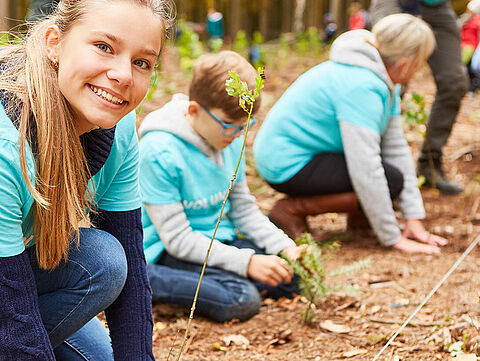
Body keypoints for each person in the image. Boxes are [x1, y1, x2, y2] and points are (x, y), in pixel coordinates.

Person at [0, 0, 172, 359]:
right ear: (54, 43)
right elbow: (11, 308)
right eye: (104, 47)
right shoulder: (6, 143)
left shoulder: (119, 124)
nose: (123, 75)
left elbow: (130, 264)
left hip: (14, 275)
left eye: (141, 62)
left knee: (105, 261)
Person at [253, 14, 448, 255]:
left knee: (391, 176)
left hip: (310, 155)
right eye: (420, 65)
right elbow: (365, 168)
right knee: (389, 180)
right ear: (405, 64)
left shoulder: (384, 81)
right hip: (286, 162)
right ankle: (292, 209)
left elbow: (395, 148)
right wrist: (392, 237)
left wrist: (413, 217)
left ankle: (362, 219)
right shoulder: (361, 86)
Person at [138, 51, 301, 323]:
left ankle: (228, 277)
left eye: (244, 126)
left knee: (289, 276)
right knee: (240, 300)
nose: (238, 135)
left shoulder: (231, 138)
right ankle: (146, 280)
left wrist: (284, 247)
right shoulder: (158, 152)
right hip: (168, 252)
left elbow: (244, 211)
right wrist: (247, 263)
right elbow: (178, 239)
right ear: (194, 110)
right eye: (229, 126)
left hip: (219, 241)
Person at [369, 0, 468, 195]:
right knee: (392, 76)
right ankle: (380, 167)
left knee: (454, 81)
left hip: (436, 5)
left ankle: (429, 164)